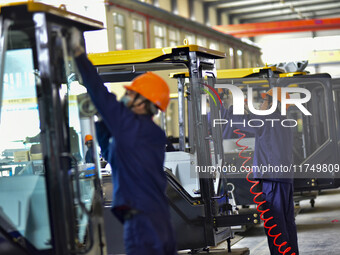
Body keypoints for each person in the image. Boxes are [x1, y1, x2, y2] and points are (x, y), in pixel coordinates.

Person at [70, 29, 177, 255]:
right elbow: (112, 155)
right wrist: (101, 121)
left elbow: (100, 94)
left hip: (143, 222)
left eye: (130, 94)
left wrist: (79, 54)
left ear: (142, 103)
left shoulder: (133, 126)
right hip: (155, 218)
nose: (124, 97)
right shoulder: (148, 133)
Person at [225, 87, 299, 255]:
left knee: (276, 224)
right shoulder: (283, 121)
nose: (262, 104)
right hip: (284, 180)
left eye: (265, 100)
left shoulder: (268, 118)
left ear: (275, 104)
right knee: (287, 223)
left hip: (272, 181)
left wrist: (231, 107)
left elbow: (239, 122)